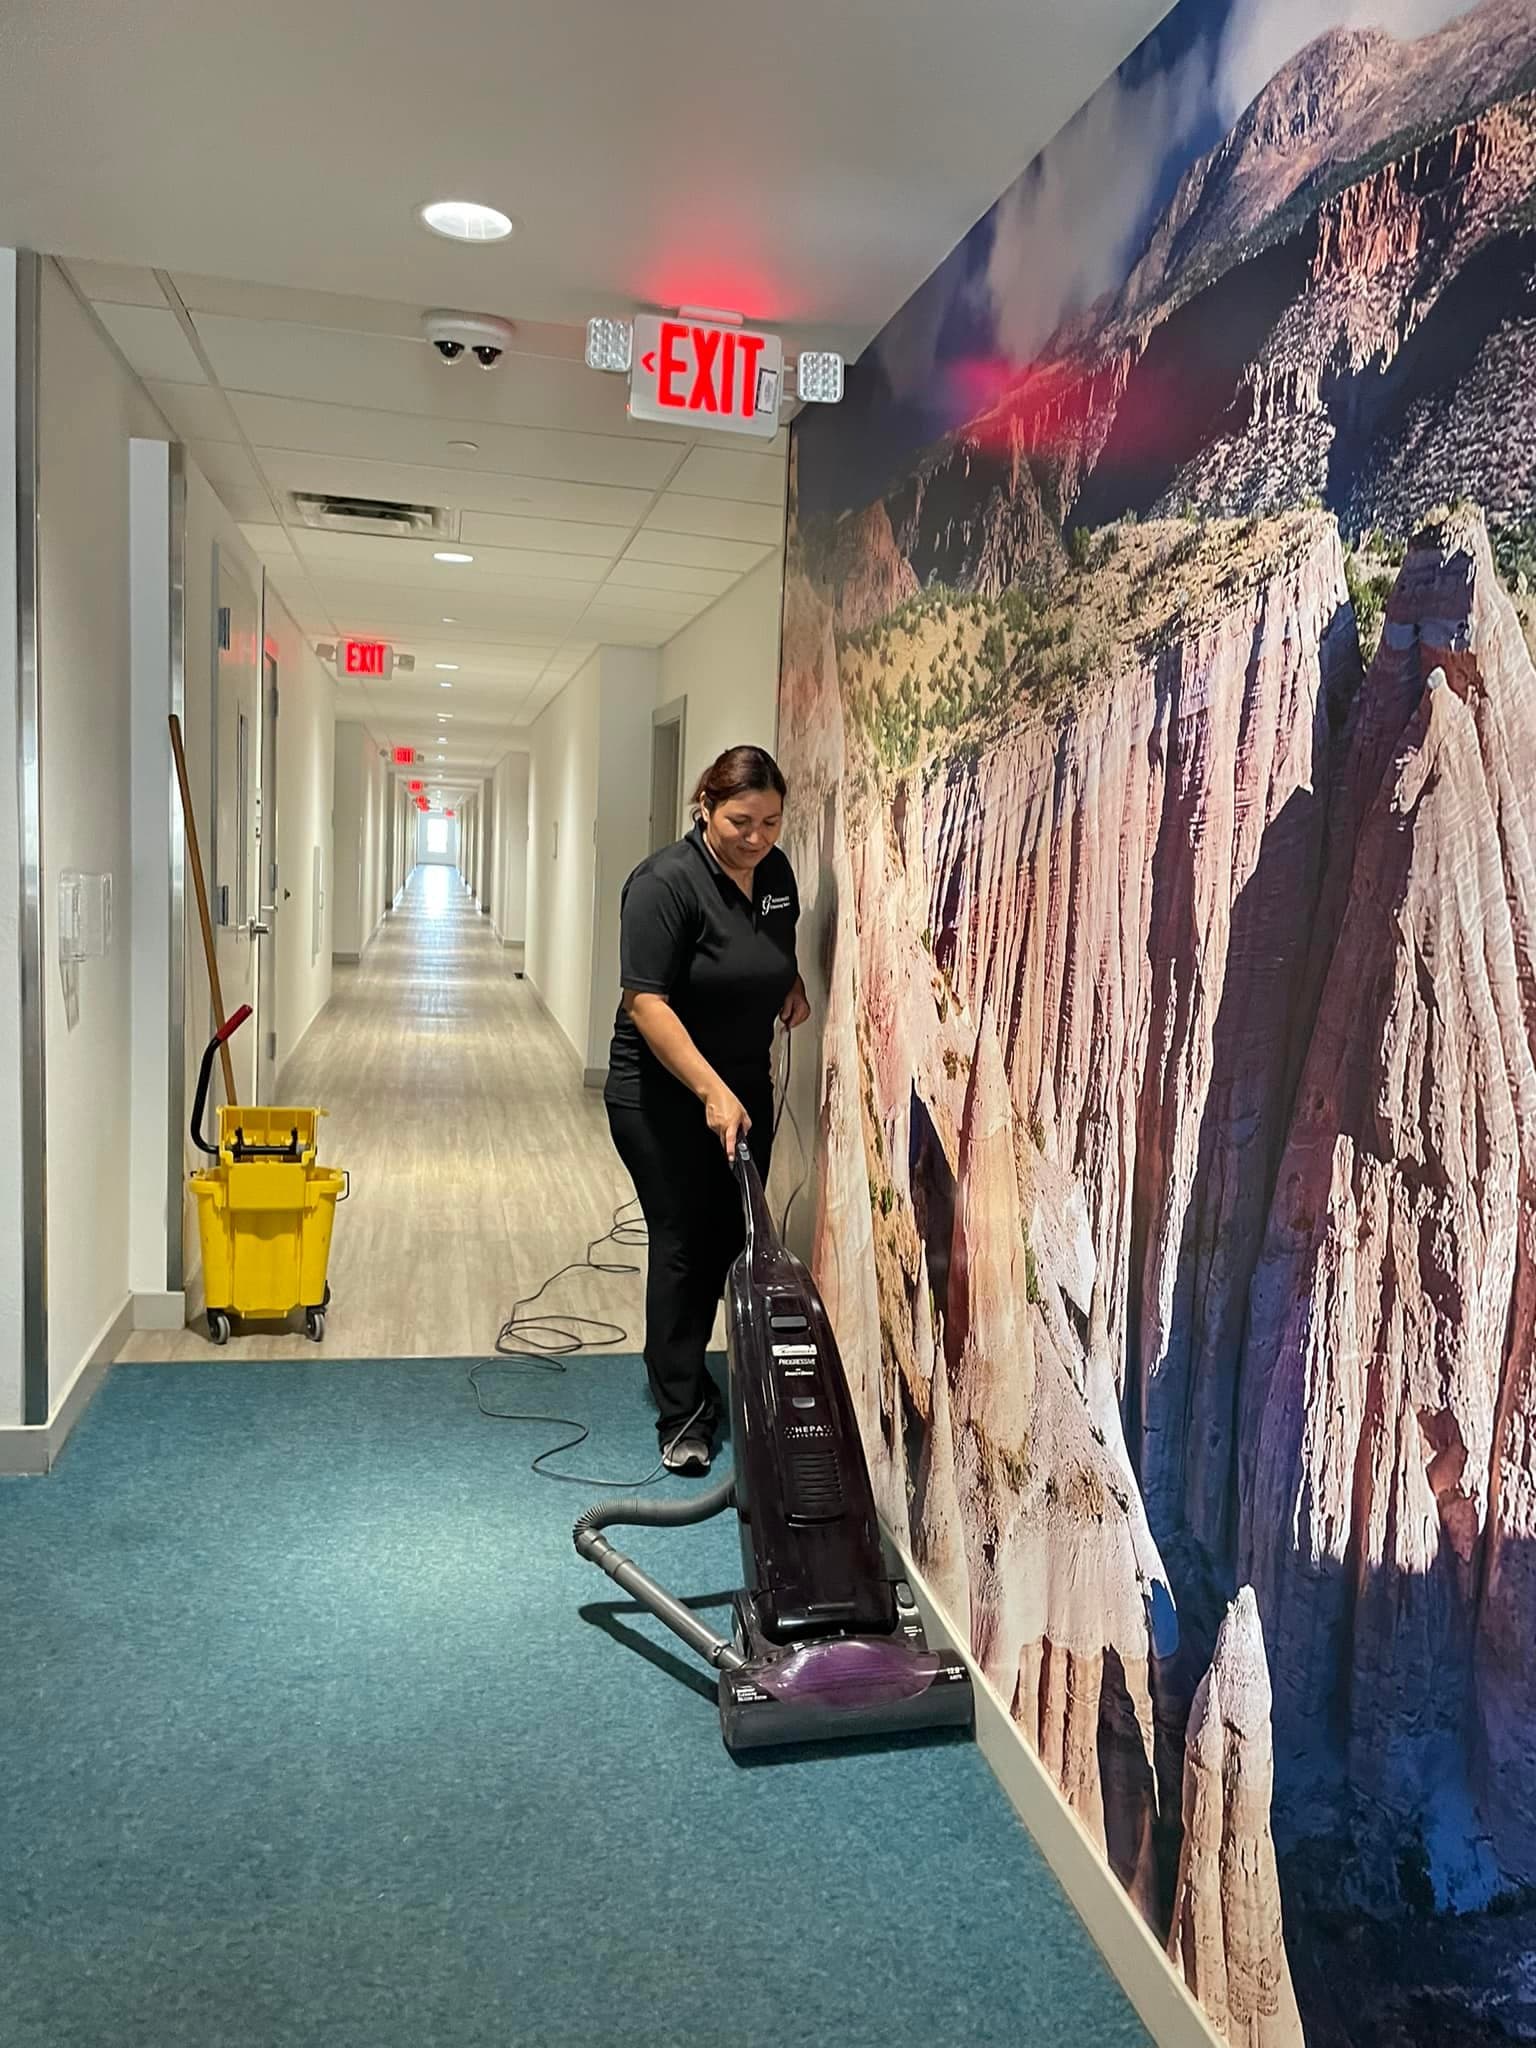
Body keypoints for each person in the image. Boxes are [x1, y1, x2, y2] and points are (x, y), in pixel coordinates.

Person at [605, 745, 810, 1474]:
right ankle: (683, 1414)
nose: (756, 837)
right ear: (704, 806)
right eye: (739, 821)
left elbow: (771, 946)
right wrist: (708, 1088)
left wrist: (788, 987)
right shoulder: (664, 883)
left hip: (743, 1087)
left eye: (771, 821)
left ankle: (710, 1375)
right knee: (686, 1242)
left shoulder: (777, 875)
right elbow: (646, 1001)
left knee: (732, 1237)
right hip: (659, 1095)